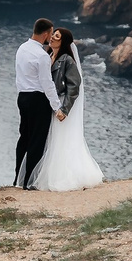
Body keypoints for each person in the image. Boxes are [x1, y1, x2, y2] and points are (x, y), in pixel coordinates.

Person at [29, 25, 105, 191]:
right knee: (51, 141)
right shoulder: (48, 56)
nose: (52, 38)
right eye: (53, 35)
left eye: (57, 36)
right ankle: (47, 176)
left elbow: (74, 86)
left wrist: (64, 109)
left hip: (60, 105)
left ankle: (64, 178)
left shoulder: (67, 60)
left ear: (63, 42)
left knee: (61, 140)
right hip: (49, 104)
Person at [12, 17, 60, 188]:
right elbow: (47, 84)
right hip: (38, 100)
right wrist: (57, 107)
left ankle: (18, 178)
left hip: (22, 97)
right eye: (51, 34)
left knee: (24, 138)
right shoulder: (42, 56)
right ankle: (29, 181)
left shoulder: (22, 48)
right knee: (37, 140)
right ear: (46, 33)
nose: (51, 37)